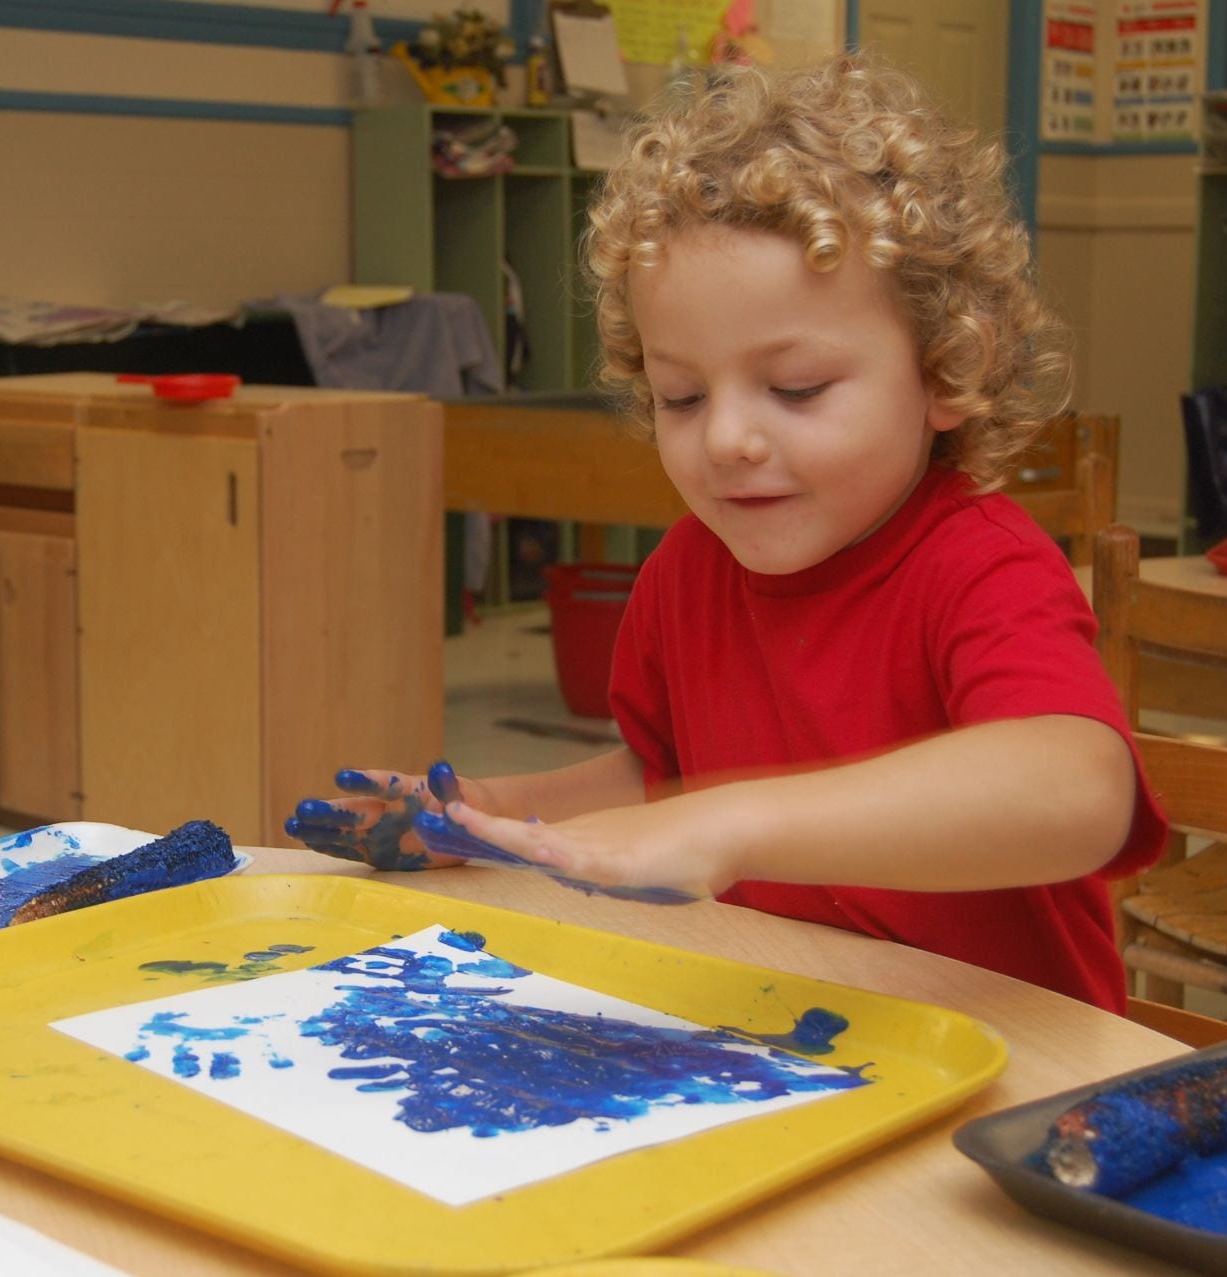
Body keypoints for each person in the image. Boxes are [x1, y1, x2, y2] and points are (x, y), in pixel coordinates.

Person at [288, 55, 1167, 1012]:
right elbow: (664, 777)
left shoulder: (980, 562)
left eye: (796, 388)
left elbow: (1079, 794)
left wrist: (737, 823)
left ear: (949, 367)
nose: (726, 440)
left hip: (1023, 1060)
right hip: (801, 1030)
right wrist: (489, 815)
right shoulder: (686, 572)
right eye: (682, 395)